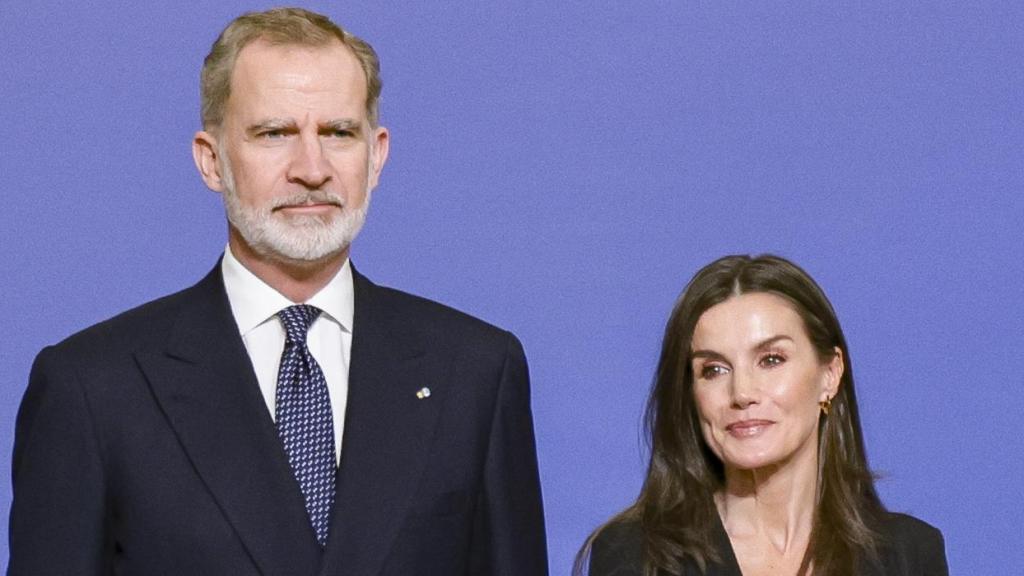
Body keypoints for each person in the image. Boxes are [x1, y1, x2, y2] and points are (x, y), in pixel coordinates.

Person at [8, 8, 547, 576]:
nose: (312, 169)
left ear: (376, 155)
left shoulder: (475, 373)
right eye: (274, 134)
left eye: (339, 133)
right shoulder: (93, 388)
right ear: (212, 161)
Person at [578, 255, 947, 576]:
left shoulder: (909, 554)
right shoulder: (634, 555)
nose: (742, 393)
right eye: (713, 370)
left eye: (771, 360)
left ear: (830, 374)